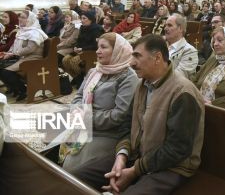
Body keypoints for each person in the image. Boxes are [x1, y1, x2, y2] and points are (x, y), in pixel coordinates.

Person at [72, 34, 204, 194]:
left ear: (157, 58)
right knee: (75, 178)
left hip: (171, 167)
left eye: (137, 56)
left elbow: (177, 149)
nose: (131, 62)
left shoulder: (182, 92)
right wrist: (121, 157)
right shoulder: (143, 84)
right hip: (137, 156)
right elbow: (127, 126)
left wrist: (135, 170)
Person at [62, 33, 139, 173]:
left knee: (72, 170)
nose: (97, 51)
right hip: (84, 125)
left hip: (107, 134)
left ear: (117, 51)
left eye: (103, 47)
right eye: (98, 47)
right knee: (57, 157)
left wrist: (86, 118)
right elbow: (78, 96)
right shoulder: (95, 71)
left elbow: (119, 115)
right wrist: (76, 111)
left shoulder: (128, 77)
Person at [0, 11, 48, 101]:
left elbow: (30, 49)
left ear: (30, 20)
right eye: (20, 17)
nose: (20, 19)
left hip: (33, 59)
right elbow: (14, 46)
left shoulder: (35, 32)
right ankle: (15, 88)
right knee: (1, 67)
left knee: (6, 72)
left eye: (23, 17)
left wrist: (14, 53)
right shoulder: (23, 30)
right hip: (23, 57)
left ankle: (23, 90)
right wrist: (8, 53)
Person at [62, 11, 104, 87]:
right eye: (81, 18)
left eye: (84, 18)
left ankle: (81, 81)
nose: (82, 20)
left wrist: (82, 49)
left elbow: (96, 45)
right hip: (81, 51)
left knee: (74, 62)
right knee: (65, 60)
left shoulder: (97, 28)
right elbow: (78, 40)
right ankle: (76, 77)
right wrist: (76, 47)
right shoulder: (82, 27)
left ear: (91, 19)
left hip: (91, 52)